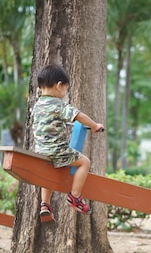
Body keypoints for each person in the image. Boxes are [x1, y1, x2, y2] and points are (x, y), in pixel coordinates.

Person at [32, 64, 105, 221]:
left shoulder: (37, 105)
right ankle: (75, 197)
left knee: (48, 175)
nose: (65, 93)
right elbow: (79, 116)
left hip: (40, 150)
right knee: (85, 162)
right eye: (65, 89)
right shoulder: (58, 104)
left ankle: (45, 204)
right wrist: (95, 126)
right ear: (59, 86)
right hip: (57, 150)